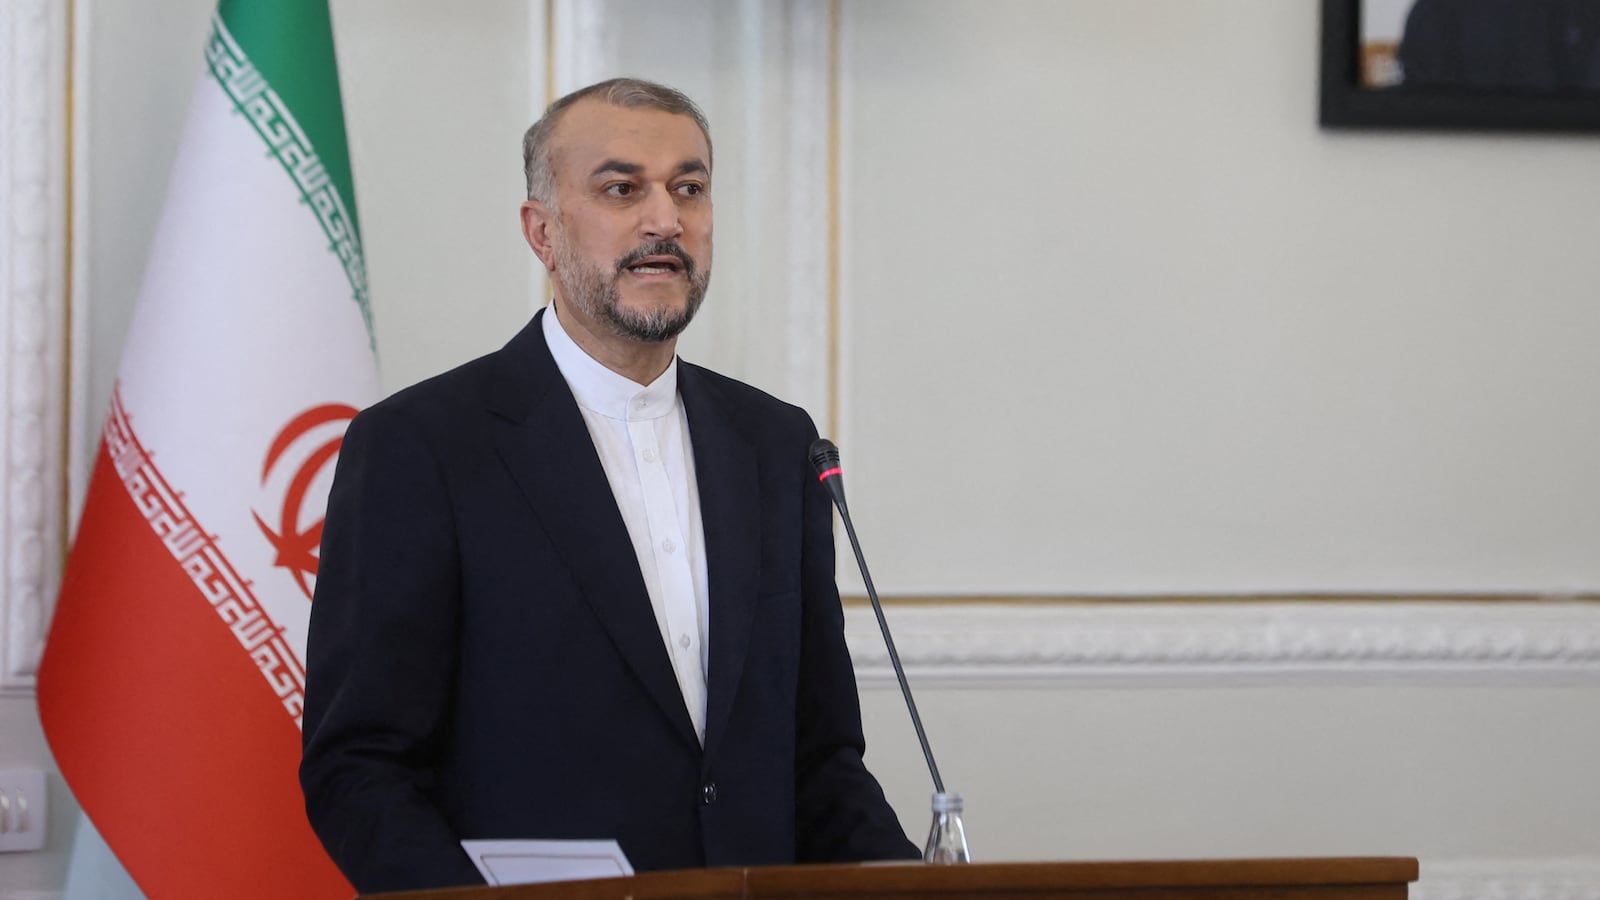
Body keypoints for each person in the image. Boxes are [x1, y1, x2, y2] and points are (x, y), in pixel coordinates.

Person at [299, 77, 919, 893]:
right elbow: (360, 766)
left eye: (688, 188)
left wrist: (918, 886)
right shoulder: (423, 446)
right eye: (622, 189)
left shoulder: (777, 445)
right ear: (542, 232)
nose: (665, 219)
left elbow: (820, 759)